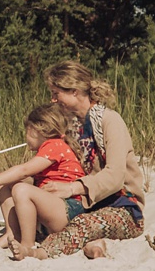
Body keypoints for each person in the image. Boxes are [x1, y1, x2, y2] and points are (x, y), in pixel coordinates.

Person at [35, 60, 146, 259]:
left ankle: (40, 252)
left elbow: (114, 176)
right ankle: (94, 246)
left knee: (84, 224)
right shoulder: (67, 125)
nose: (52, 100)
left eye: (56, 93)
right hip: (83, 204)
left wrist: (71, 188)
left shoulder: (109, 120)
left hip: (122, 205)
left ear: (74, 91)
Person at [0, 103, 87, 259]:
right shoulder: (50, 148)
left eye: (27, 131)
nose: (25, 136)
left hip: (69, 209)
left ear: (37, 129)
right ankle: (12, 234)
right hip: (56, 209)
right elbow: (21, 177)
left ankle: (27, 244)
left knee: (21, 189)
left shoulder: (54, 145)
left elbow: (23, 171)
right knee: (7, 185)